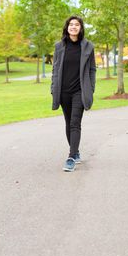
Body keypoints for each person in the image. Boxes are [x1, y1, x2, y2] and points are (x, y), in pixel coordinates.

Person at [51, 15, 96, 172]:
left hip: (79, 91)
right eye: (71, 24)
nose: (74, 27)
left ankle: (70, 157)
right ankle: (75, 152)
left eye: (77, 24)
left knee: (75, 123)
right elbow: (55, 69)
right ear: (67, 27)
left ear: (81, 28)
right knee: (68, 122)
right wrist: (53, 88)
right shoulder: (59, 46)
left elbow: (92, 69)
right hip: (63, 92)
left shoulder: (88, 47)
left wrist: (91, 88)